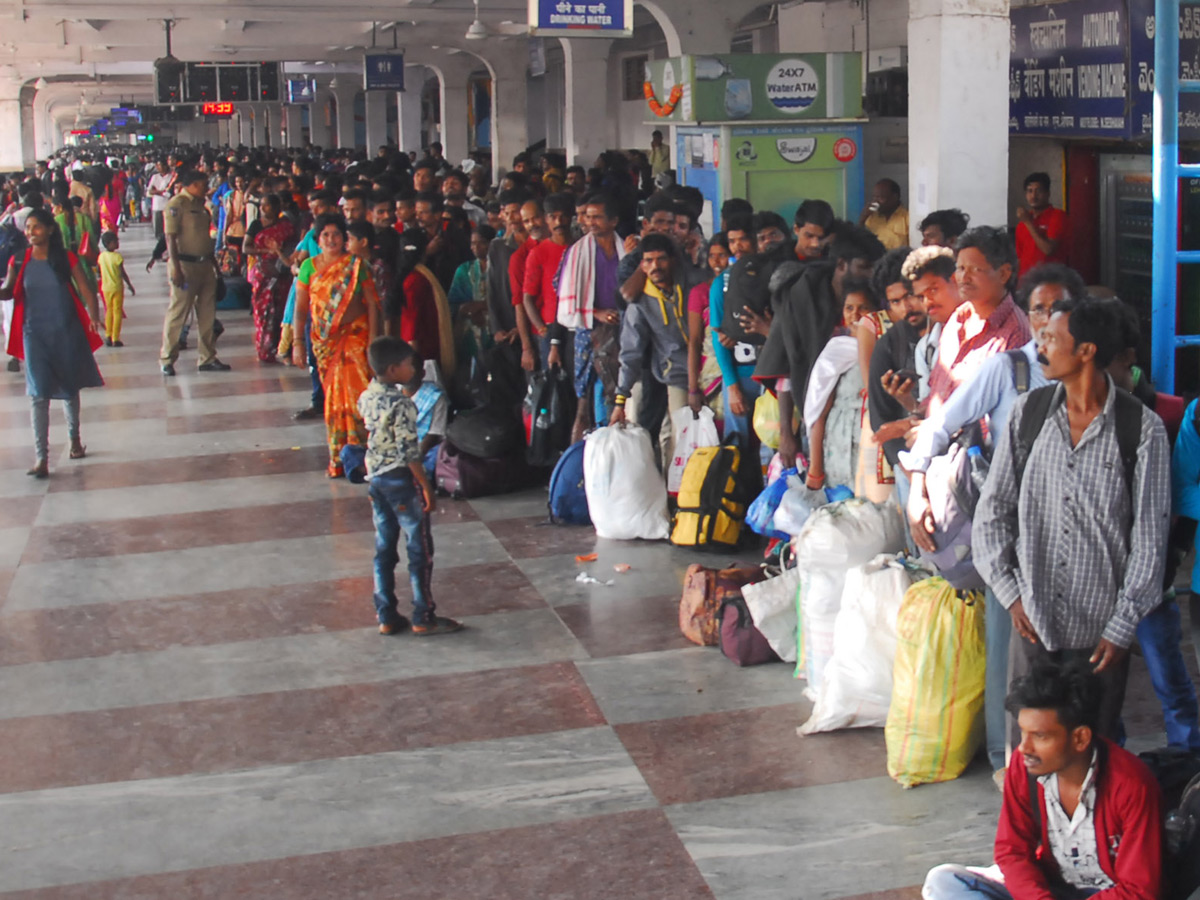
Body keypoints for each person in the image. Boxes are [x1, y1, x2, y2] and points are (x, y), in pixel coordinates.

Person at [975, 296, 1171, 748]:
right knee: (1028, 753)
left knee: (1092, 754)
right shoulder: (1029, 414)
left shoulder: (1141, 430)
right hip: (1033, 622)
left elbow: (1150, 540)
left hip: (1102, 636)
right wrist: (1011, 595)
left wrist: (1122, 626)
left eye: (1050, 338)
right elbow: (992, 514)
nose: (1039, 348)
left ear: (1086, 351)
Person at [904, 263, 1072, 783]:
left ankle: (1070, 751)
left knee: (1066, 650)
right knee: (1011, 648)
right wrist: (916, 490)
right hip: (1013, 531)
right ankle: (1010, 760)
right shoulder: (1008, 370)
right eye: (1038, 309)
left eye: (1059, 309)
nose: (1047, 321)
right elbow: (941, 424)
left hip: (1072, 536)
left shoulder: (1092, 377)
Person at [922, 660, 1163, 900]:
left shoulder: (1131, 784)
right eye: (1023, 733)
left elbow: (1138, 891)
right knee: (944, 881)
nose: (1025, 748)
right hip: (1050, 889)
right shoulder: (1024, 764)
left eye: (1040, 736)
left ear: (1080, 738)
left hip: (1107, 894)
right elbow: (1011, 851)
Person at [754, 223, 886, 469]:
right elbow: (789, 365)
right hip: (806, 416)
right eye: (864, 267)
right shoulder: (801, 297)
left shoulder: (872, 299)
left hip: (855, 419)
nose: (870, 275)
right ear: (841, 265)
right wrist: (787, 434)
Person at [358, 335, 462, 637]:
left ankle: (386, 614)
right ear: (393, 370)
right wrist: (426, 487)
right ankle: (423, 614)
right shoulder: (401, 404)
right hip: (401, 479)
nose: (414, 368)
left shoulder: (368, 396)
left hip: (376, 478)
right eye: (408, 364)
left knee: (384, 547)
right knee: (419, 548)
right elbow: (409, 451)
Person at [0, 207, 103, 478]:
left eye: (36, 227)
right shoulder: (19, 260)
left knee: (69, 388)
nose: (31, 232)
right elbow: (9, 290)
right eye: (28, 228)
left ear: (49, 229)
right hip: (34, 334)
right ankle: (41, 458)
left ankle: (74, 439)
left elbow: (85, 288)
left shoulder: (65, 258)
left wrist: (93, 316)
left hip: (65, 331)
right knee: (38, 393)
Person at [290, 213, 382, 478]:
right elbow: (300, 309)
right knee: (333, 401)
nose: (331, 239)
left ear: (344, 238)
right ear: (317, 239)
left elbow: (373, 305)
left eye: (337, 234)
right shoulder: (308, 267)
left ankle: (367, 456)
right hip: (325, 344)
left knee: (359, 398)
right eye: (325, 235)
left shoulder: (356, 265)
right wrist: (297, 342)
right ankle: (340, 457)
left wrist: (373, 341)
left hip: (356, 339)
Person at [926, 226, 1032, 418]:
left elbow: (1006, 415)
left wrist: (935, 430)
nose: (964, 278)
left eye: (975, 269)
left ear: (1004, 274)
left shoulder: (1015, 334)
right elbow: (940, 392)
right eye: (960, 269)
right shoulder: (956, 319)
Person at [610, 233, 690, 471]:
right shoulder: (641, 303)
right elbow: (630, 353)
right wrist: (620, 400)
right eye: (648, 260)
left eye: (661, 259)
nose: (655, 266)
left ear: (673, 260)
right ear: (641, 266)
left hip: (710, 370)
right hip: (676, 374)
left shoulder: (691, 284)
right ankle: (675, 495)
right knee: (678, 437)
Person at [557, 192, 626, 440]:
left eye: (597, 217)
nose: (591, 222)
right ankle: (584, 460)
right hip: (590, 333)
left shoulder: (626, 250)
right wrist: (595, 313)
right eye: (588, 217)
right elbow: (563, 295)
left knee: (619, 394)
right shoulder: (577, 252)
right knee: (585, 401)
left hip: (622, 330)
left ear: (613, 221)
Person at [803, 280, 876, 493]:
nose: (856, 314)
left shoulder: (883, 349)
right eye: (849, 308)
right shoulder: (835, 353)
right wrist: (815, 469)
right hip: (839, 443)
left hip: (871, 442)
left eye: (864, 307)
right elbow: (818, 412)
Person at [160, 170, 228, 376]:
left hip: (205, 265)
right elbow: (170, 238)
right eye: (202, 184)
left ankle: (207, 357)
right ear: (190, 184)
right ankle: (167, 359)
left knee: (207, 314)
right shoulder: (176, 205)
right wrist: (176, 268)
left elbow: (206, 240)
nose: (206, 188)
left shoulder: (202, 206)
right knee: (178, 312)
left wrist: (216, 269)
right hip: (184, 265)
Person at [523, 193, 575, 371]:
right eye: (553, 217)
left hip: (577, 327)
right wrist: (542, 329)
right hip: (550, 329)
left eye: (563, 216)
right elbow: (527, 298)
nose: (559, 222)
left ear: (570, 218)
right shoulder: (538, 253)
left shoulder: (581, 247)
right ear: (546, 219)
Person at [245, 193, 296, 363]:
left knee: (282, 311)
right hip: (264, 274)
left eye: (266, 205)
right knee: (263, 312)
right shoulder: (256, 225)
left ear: (276, 208)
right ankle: (265, 349)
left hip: (282, 273)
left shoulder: (286, 226)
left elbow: (292, 248)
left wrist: (279, 253)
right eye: (261, 206)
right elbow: (246, 248)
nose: (262, 209)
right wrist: (267, 251)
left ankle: (283, 348)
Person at [686, 232, 731, 424]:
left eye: (722, 255)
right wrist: (693, 388)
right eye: (712, 256)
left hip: (739, 368)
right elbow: (695, 341)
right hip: (711, 371)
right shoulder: (700, 293)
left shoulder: (743, 289)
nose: (717, 261)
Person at [1015, 172, 1069, 276]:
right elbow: (1020, 258)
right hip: (1026, 283)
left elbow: (1048, 250)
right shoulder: (1022, 224)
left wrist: (1028, 223)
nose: (1033, 196)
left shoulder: (1058, 216)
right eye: (1030, 191)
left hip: (1050, 281)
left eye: (1038, 191)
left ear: (1048, 193)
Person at [97, 231, 135, 347]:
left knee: (108, 311)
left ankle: (108, 335)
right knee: (117, 311)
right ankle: (115, 338)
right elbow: (122, 273)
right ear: (108, 244)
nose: (117, 243)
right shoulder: (117, 257)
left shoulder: (101, 256)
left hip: (105, 288)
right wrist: (129, 284)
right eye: (115, 241)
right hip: (117, 288)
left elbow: (99, 271)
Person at [859, 178, 909, 251]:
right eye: (874, 197)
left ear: (894, 197)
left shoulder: (907, 217)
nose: (875, 201)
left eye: (881, 198)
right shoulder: (872, 216)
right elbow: (860, 240)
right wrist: (862, 219)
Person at [147, 159, 175, 242]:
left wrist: (157, 191)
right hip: (157, 206)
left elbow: (170, 192)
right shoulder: (154, 177)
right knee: (158, 229)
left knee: (167, 229)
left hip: (167, 205)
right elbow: (150, 191)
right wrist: (161, 192)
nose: (157, 167)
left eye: (159, 165)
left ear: (165, 166)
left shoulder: (171, 177)